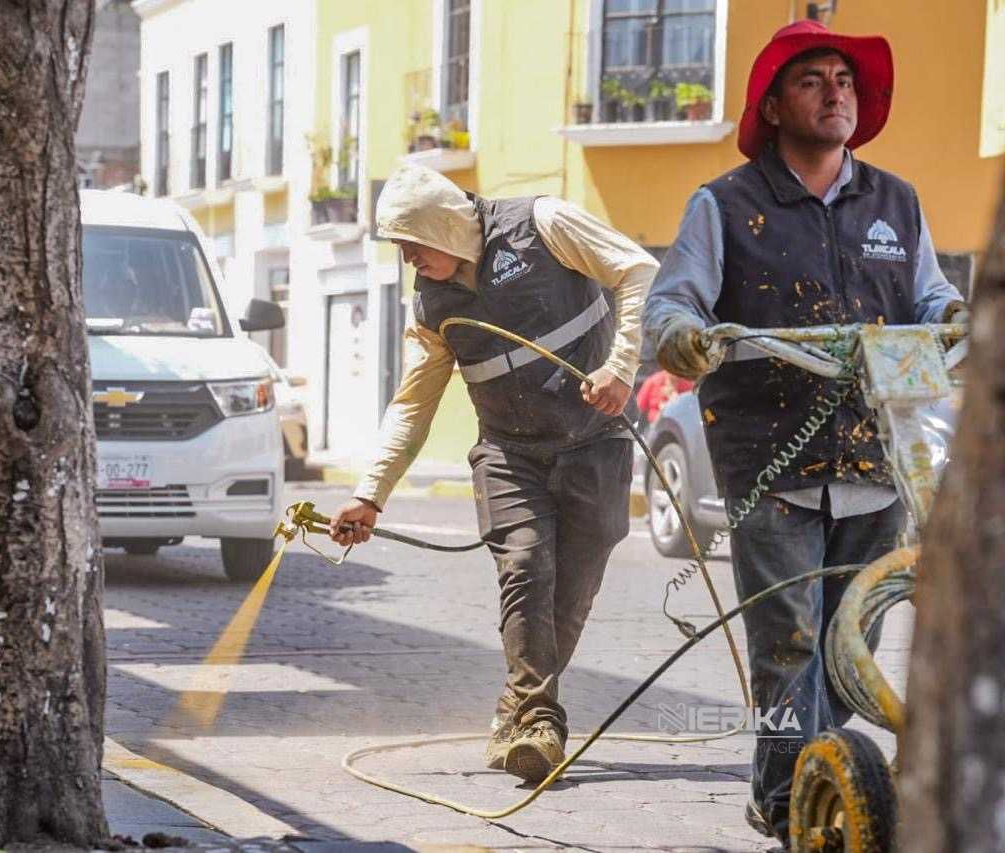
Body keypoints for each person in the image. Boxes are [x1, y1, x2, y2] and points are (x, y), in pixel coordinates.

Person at [643, 20, 967, 847]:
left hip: (880, 455)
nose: (835, 93)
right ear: (775, 103)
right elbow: (672, 302)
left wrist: (954, 317)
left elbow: (930, 299)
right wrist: (683, 333)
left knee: (853, 641)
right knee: (788, 642)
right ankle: (790, 801)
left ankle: (838, 783)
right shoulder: (725, 205)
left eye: (846, 81)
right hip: (771, 464)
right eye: (815, 79)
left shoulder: (897, 201)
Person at [329, 163, 658, 783]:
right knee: (527, 564)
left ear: (444, 227)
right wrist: (369, 495)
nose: (406, 261)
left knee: (571, 595)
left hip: (598, 443)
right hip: (510, 454)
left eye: (411, 244)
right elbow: (413, 403)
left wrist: (621, 367)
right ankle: (538, 722)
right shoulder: (433, 306)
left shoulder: (545, 223)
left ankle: (517, 707)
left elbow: (638, 269)